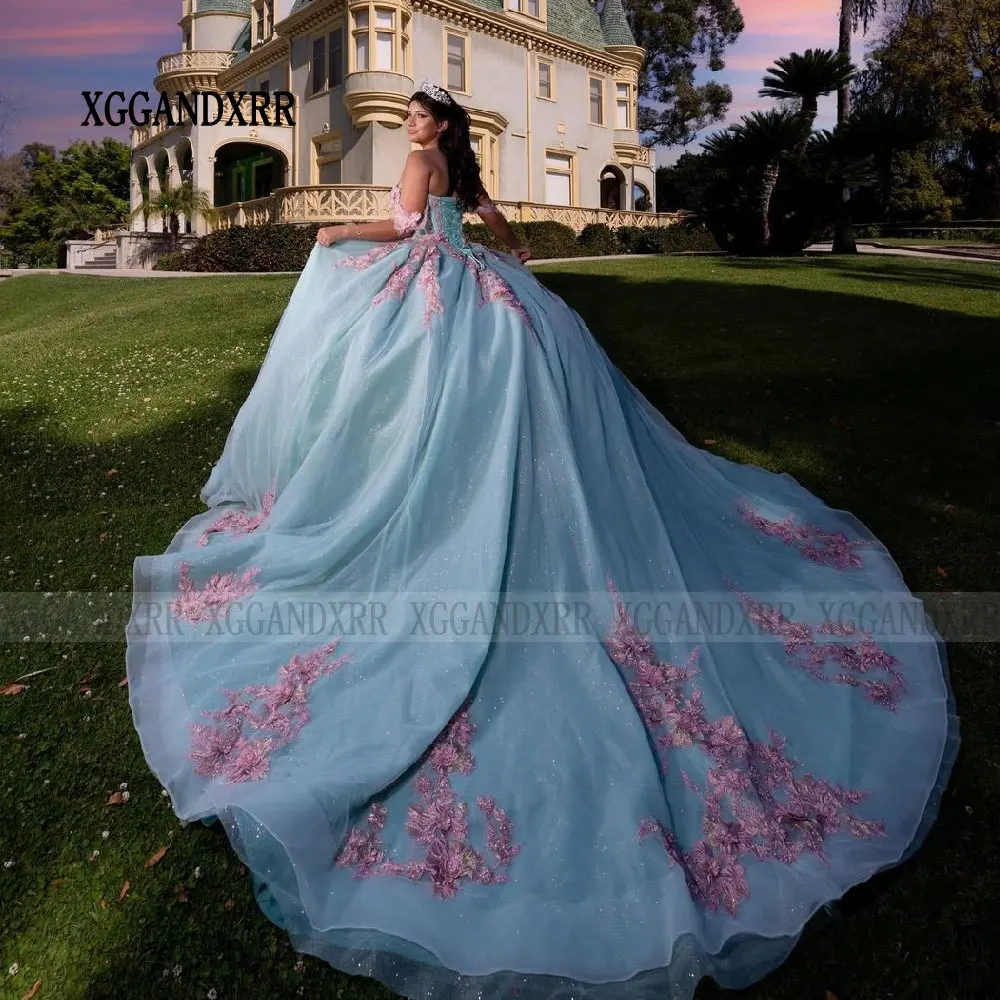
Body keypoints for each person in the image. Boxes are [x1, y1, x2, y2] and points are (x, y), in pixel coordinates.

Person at [125, 80, 958, 1000]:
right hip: (487, 293)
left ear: (435, 126)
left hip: (438, 295)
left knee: (406, 418)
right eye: (408, 116)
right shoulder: (461, 163)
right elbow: (477, 210)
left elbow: (405, 230)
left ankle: (437, 516)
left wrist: (332, 237)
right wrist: (513, 246)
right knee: (527, 398)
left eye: (417, 115)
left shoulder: (415, 162)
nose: (409, 124)